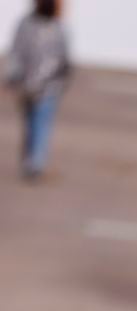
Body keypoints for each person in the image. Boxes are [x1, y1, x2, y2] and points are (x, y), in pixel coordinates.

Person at [5, 0, 70, 181]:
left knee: (40, 123)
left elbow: (63, 58)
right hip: (29, 86)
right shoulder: (28, 25)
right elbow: (17, 52)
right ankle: (31, 161)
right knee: (32, 124)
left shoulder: (57, 28)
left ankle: (36, 163)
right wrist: (12, 76)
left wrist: (63, 77)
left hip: (48, 87)